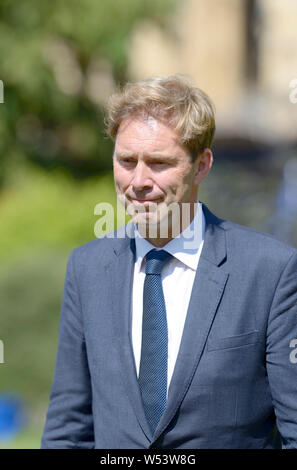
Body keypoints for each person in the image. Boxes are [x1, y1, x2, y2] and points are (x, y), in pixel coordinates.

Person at [41, 75, 297, 449]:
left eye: (159, 163)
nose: (138, 180)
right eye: (126, 161)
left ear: (202, 165)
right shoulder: (87, 269)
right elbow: (68, 428)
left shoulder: (270, 270)